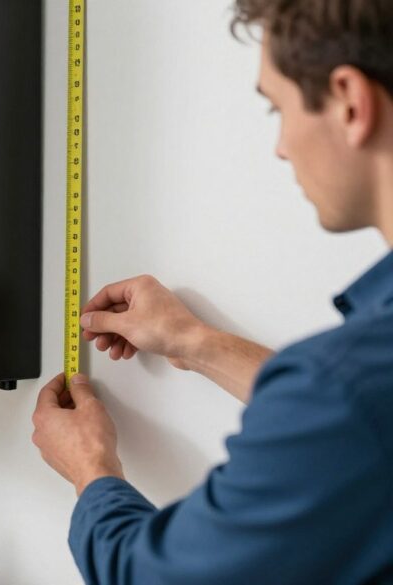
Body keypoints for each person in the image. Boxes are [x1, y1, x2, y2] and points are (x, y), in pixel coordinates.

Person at [30, 1, 393, 583]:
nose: (281, 146)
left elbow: (154, 575)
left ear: (351, 102)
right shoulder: (360, 385)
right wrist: (193, 341)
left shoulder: (344, 387)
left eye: (278, 108)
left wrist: (91, 468)